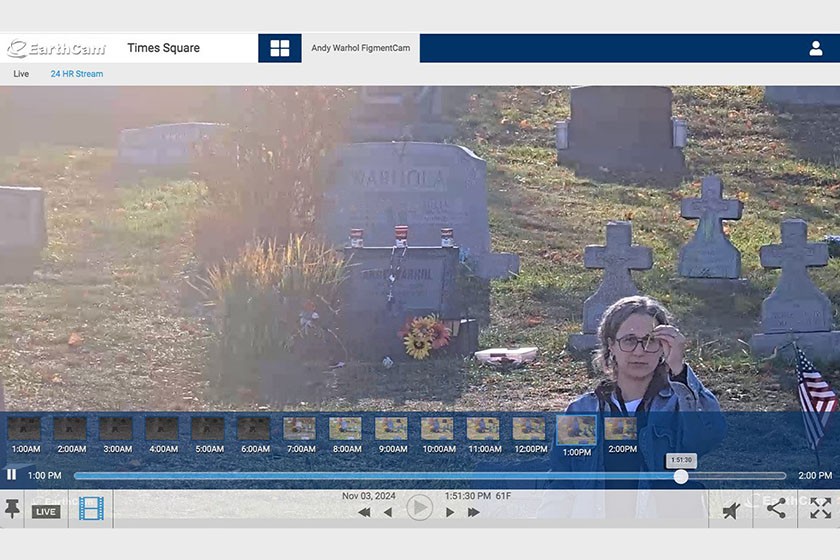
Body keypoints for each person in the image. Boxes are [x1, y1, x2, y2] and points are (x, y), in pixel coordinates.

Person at [539, 295, 726, 518]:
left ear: (663, 349)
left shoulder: (679, 405)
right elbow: (561, 483)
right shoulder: (582, 411)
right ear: (611, 346)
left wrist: (679, 368)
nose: (639, 351)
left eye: (650, 341)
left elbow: (711, 434)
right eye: (629, 340)